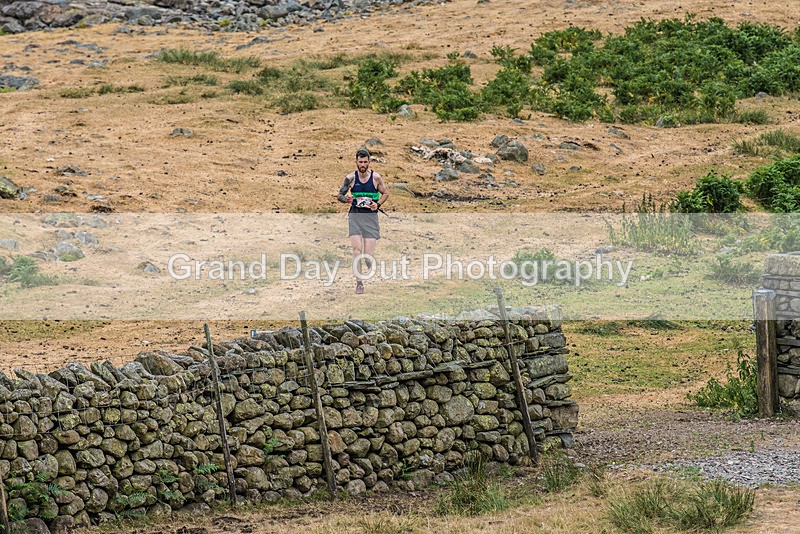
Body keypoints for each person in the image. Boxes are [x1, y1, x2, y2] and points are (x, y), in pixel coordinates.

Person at [336, 148, 389, 294]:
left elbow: (385, 193)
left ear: (369, 162)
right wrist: (347, 199)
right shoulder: (350, 178)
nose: (363, 165)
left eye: (365, 162)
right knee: (357, 249)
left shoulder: (376, 178)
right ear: (356, 162)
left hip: (370, 218)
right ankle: (359, 282)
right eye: (360, 162)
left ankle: (368, 260)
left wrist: (377, 205)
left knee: (368, 254)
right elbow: (339, 195)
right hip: (355, 216)